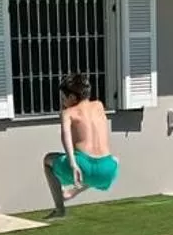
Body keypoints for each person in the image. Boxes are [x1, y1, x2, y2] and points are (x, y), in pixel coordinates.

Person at [44, 72, 118, 214]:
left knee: (47, 160)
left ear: (72, 97)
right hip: (107, 169)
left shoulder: (68, 112)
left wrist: (72, 163)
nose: (62, 102)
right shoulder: (99, 105)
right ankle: (71, 192)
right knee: (115, 160)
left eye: (63, 98)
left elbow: (65, 136)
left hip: (82, 165)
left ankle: (60, 209)